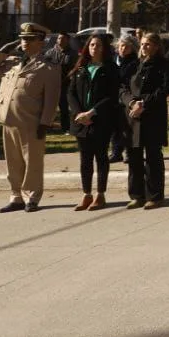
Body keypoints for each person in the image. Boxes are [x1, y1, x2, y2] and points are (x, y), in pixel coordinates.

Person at [0, 23, 61, 212]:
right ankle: (16, 197)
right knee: (13, 162)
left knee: (32, 162)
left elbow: (52, 98)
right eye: (23, 38)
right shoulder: (12, 62)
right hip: (8, 119)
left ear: (41, 42)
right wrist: (1, 52)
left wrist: (45, 122)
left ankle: (31, 197)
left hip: (31, 121)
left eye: (30, 39)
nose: (24, 42)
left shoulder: (48, 67)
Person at [67, 33, 121, 211]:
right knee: (85, 159)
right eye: (91, 45)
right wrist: (79, 113)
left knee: (101, 158)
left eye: (98, 45)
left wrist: (92, 112)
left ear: (104, 48)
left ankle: (100, 194)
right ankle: (86, 194)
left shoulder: (110, 68)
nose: (94, 48)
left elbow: (111, 96)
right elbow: (71, 93)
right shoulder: (81, 67)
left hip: (101, 120)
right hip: (80, 121)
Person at [122, 32, 169, 209]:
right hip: (133, 117)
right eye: (142, 44)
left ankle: (155, 195)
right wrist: (131, 103)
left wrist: (143, 103)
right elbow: (123, 87)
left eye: (148, 44)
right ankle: (137, 195)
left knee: (153, 157)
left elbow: (164, 89)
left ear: (157, 46)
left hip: (152, 116)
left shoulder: (164, 65)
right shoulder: (134, 65)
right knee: (134, 156)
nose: (144, 47)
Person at [110, 35, 139, 163]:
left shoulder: (134, 62)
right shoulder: (114, 60)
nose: (123, 48)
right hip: (115, 98)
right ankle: (116, 152)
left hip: (128, 98)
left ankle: (128, 152)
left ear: (132, 48)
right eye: (121, 46)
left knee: (128, 127)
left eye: (127, 46)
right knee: (115, 127)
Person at [43, 32, 76, 133]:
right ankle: (46, 125)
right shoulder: (50, 52)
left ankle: (65, 127)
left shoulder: (73, 54)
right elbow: (44, 66)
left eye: (63, 38)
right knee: (48, 106)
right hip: (51, 84)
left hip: (65, 84)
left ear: (68, 40)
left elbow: (75, 68)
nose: (61, 40)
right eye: (59, 38)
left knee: (64, 107)